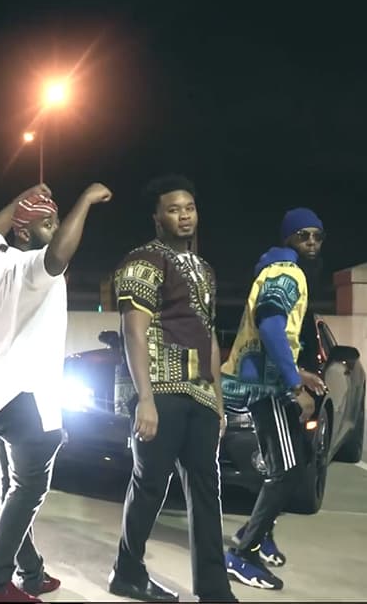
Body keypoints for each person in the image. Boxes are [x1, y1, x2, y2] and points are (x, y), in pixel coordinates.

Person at [0, 181, 112, 602]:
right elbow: (59, 254)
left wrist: (21, 197)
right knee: (28, 490)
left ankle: (30, 571)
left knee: (11, 485)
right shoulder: (34, 268)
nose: (57, 228)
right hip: (27, 399)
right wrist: (85, 201)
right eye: (48, 223)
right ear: (25, 232)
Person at [108, 175, 237, 603]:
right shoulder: (142, 261)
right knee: (150, 485)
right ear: (157, 217)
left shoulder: (204, 269)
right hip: (160, 390)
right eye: (174, 209)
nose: (184, 216)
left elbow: (210, 336)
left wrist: (218, 401)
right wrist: (144, 399)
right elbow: (133, 331)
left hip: (199, 394)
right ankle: (127, 572)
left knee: (206, 489)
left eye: (190, 208)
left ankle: (214, 589)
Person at [221, 208, 326, 590]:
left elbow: (279, 333)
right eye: (303, 235)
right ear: (288, 239)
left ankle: (257, 532)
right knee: (287, 470)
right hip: (265, 388)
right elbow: (269, 327)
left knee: (283, 466)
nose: (311, 242)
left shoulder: (278, 269)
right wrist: (294, 385)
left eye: (317, 236)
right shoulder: (286, 272)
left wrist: (296, 371)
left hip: (265, 382)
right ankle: (242, 554)